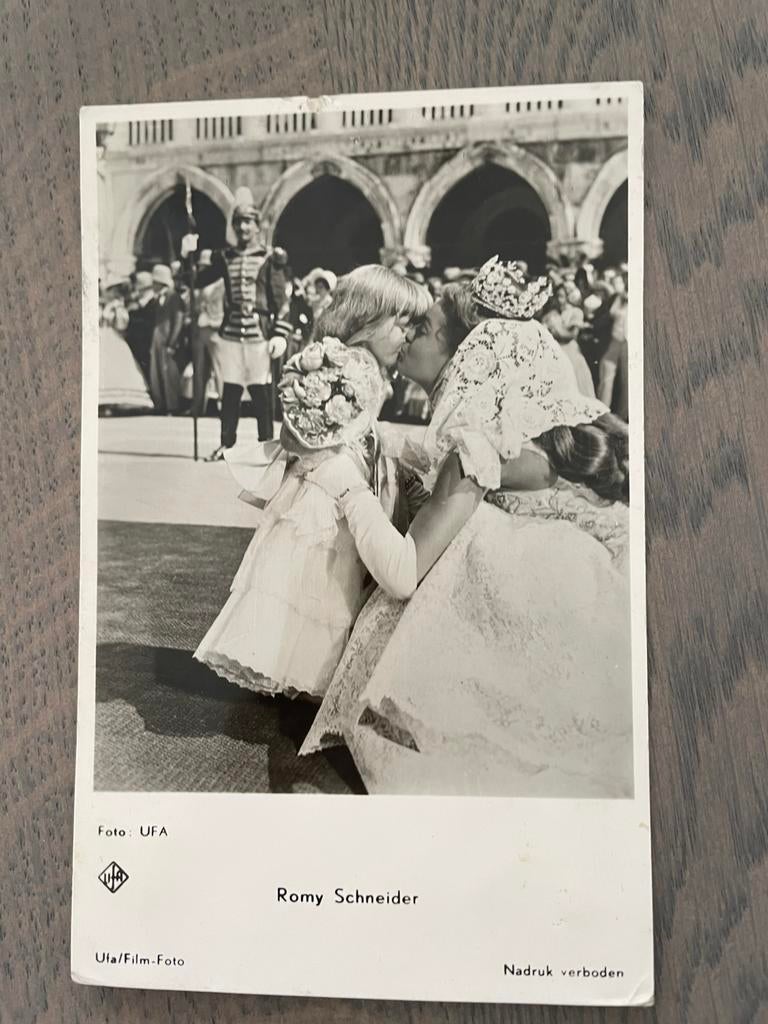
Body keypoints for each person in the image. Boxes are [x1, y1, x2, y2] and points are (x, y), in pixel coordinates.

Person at [303, 258, 632, 799]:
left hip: (529, 580)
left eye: (423, 328)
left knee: (471, 549)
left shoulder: (483, 448)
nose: (407, 335)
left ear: (465, 356)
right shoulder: (498, 438)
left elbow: (415, 554)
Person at [194, 266, 431, 701]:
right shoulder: (350, 364)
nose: (408, 336)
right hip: (323, 487)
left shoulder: (369, 366)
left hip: (345, 473)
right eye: (401, 323)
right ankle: (299, 668)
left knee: (330, 576)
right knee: (318, 573)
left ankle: (303, 667)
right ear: (368, 317)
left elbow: (363, 424)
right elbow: (311, 429)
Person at [181, 187, 292, 460]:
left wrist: (279, 333)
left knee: (261, 392)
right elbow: (196, 280)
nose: (243, 227)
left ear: (257, 226)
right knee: (228, 392)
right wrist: (188, 255)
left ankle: (266, 445)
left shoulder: (269, 258)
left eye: (248, 222)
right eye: (238, 222)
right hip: (231, 334)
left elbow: (282, 301)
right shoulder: (225, 258)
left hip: (259, 335)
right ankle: (226, 444)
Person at [542, 284, 596, 398]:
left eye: (562, 296)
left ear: (569, 297)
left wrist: (557, 330)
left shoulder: (576, 312)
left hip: (570, 351)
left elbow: (572, 335)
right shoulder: (553, 313)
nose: (559, 299)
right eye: (557, 296)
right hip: (555, 351)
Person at [148, 264, 185, 413]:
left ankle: (172, 405)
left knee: (169, 372)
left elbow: (178, 320)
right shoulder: (158, 298)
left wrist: (172, 341)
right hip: (157, 338)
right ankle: (160, 404)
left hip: (167, 339)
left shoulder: (173, 297)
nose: (153, 285)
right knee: (156, 372)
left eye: (155, 282)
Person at [190, 250, 225, 415]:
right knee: (199, 369)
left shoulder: (221, 284)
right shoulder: (198, 284)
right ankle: (198, 406)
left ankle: (224, 406)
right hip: (201, 328)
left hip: (215, 328)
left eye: (205, 267)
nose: (202, 269)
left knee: (219, 370)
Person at [124, 271, 155, 385]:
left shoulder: (152, 301)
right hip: (139, 342)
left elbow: (147, 321)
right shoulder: (139, 301)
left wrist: (132, 315)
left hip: (146, 342)